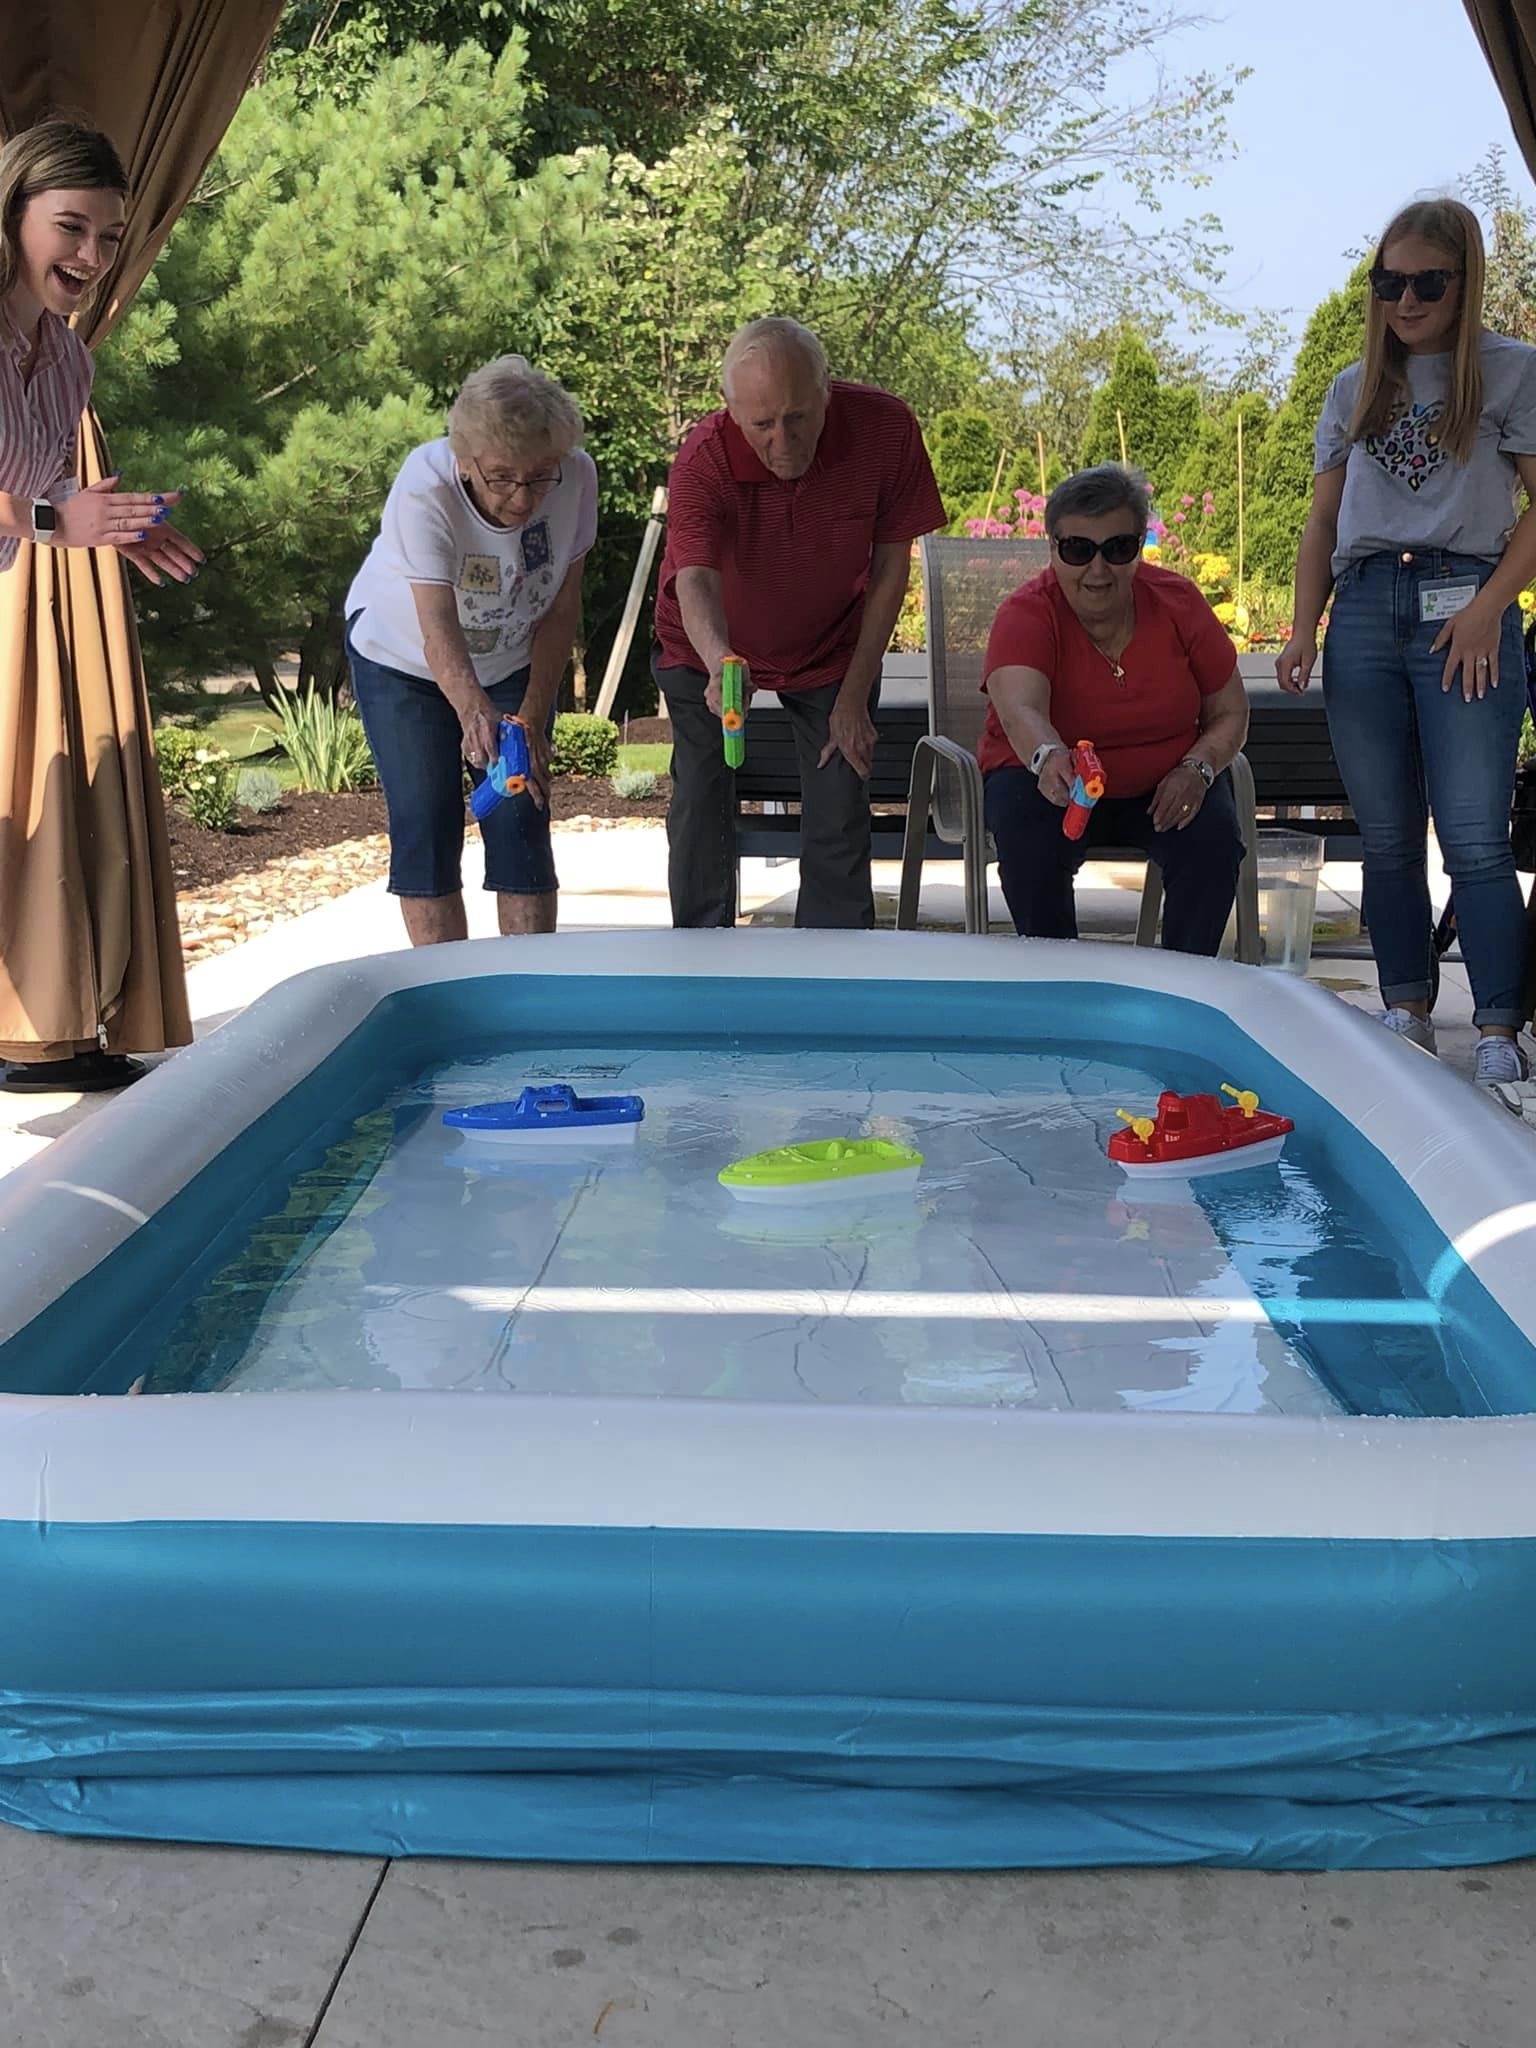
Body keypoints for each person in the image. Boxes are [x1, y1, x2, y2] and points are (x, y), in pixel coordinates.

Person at [1278, 198, 1536, 1089]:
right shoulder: (1355, 387)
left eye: (1428, 281)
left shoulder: (1511, 373)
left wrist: (1489, 608)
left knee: (1474, 837)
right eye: (1390, 281)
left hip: (1467, 603)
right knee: (1385, 836)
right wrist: (1304, 625)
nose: (1407, 299)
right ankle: (1406, 1009)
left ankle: (1501, 1024)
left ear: (1464, 282)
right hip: (1364, 607)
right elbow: (1320, 519)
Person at [0, 120, 201, 1094]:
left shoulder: (66, 361)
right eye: (70, 227)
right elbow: (35, 507)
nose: (90, 256)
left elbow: (45, 496)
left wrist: (116, 521)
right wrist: (52, 516)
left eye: (110, 237)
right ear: (11, 216)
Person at [651, 317, 945, 929]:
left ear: (825, 392)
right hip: (705, 645)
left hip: (831, 646)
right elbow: (695, 576)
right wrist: (719, 658)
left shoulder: (884, 428)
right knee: (702, 796)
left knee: (840, 799)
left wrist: (857, 690)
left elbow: (893, 564)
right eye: (761, 425)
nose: (783, 441)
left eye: (798, 417)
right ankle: (702, 962)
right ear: (730, 411)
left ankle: (835, 972)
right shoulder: (703, 458)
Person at [345, 355, 595, 945]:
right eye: (502, 477)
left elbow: (562, 610)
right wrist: (473, 710)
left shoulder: (577, 476)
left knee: (521, 811)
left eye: (540, 476)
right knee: (427, 819)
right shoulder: (425, 483)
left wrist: (531, 715)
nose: (523, 498)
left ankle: (529, 992)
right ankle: (451, 996)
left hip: (510, 655)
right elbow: (437, 625)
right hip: (401, 657)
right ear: (465, 459)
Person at [979, 465, 1250, 953]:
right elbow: (1021, 710)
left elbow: (1230, 710)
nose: (1098, 570)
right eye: (1078, 550)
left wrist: (1198, 768)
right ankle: (1058, 984)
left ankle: (1184, 989)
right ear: (1053, 549)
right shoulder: (1027, 613)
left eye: (1118, 548)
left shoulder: (1178, 602)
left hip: (1165, 779)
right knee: (1030, 843)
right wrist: (1049, 757)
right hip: (1047, 775)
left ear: (1140, 546)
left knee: (1212, 842)